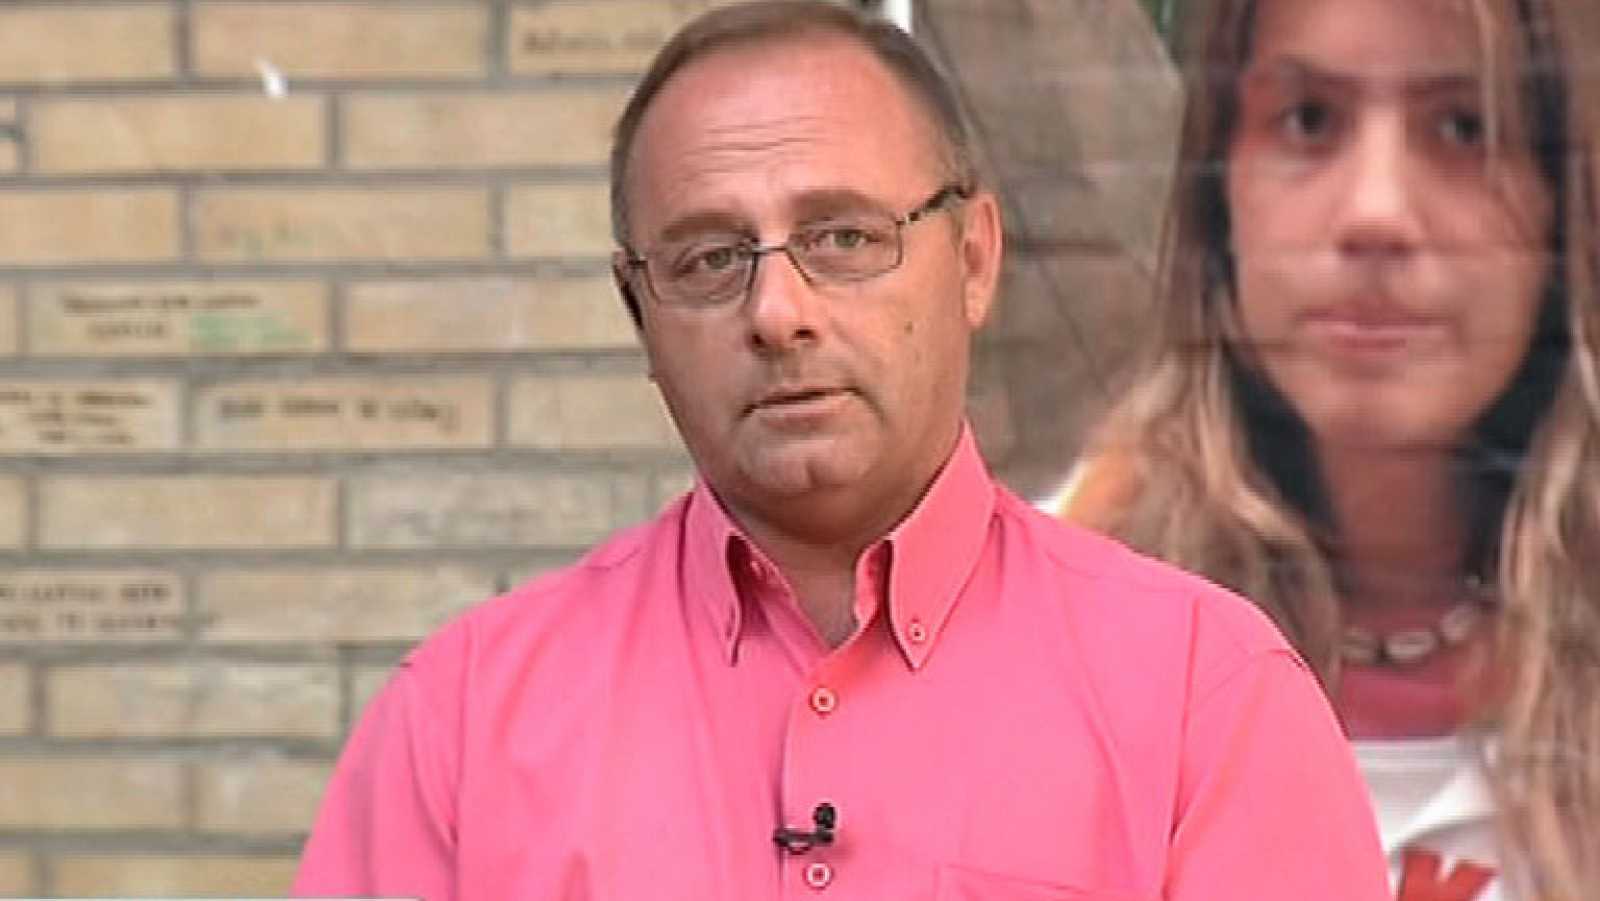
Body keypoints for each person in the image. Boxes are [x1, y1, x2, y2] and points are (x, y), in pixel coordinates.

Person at [293, 2, 1388, 898]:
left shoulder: (1206, 699)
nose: (778, 312)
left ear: (973, 261)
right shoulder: (462, 725)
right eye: (710, 258)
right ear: (640, 315)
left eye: (845, 237)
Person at [1054, 0, 1600, 897]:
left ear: (1562, 212)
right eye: (1309, 120)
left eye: (1465, 127)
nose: (1376, 212)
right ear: (1220, 196)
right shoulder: (1047, 621)